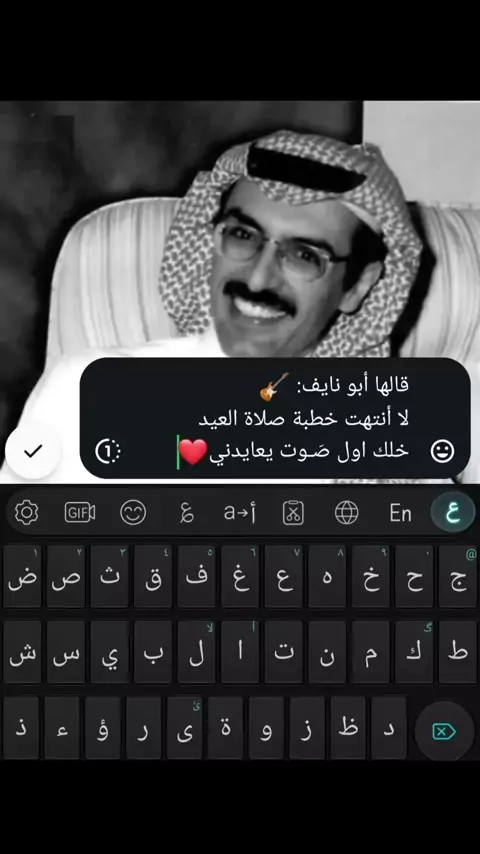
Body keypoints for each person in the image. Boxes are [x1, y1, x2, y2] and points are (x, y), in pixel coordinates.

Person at [0, 129, 476, 483]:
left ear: (358, 287)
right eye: (243, 235)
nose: (258, 278)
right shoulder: (82, 391)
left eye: (304, 255)